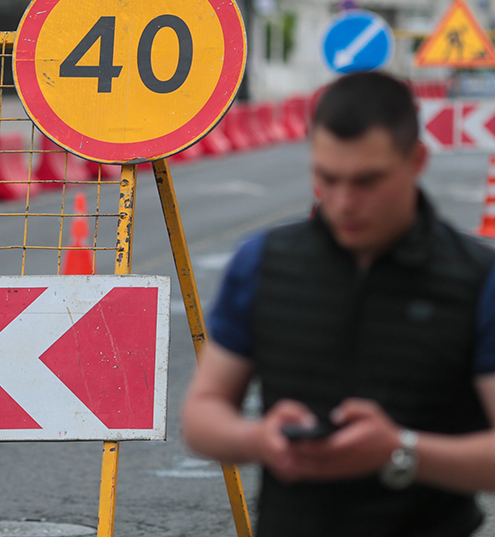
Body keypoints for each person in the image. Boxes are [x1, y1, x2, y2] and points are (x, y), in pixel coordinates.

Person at [182, 71, 495, 536]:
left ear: (417, 160)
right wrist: (260, 438)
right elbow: (201, 414)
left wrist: (400, 449)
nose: (345, 202)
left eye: (368, 181)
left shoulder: (478, 278)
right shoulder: (263, 263)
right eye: (327, 178)